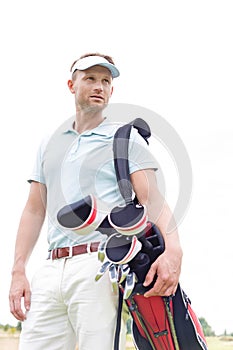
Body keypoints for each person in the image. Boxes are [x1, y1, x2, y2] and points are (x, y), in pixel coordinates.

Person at [9, 52, 183, 350]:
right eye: (90, 78)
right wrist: (18, 271)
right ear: (71, 84)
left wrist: (174, 249)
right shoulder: (49, 143)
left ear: (112, 91)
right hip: (51, 267)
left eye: (106, 80)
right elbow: (34, 209)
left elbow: (152, 198)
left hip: (99, 266)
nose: (99, 86)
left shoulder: (124, 137)